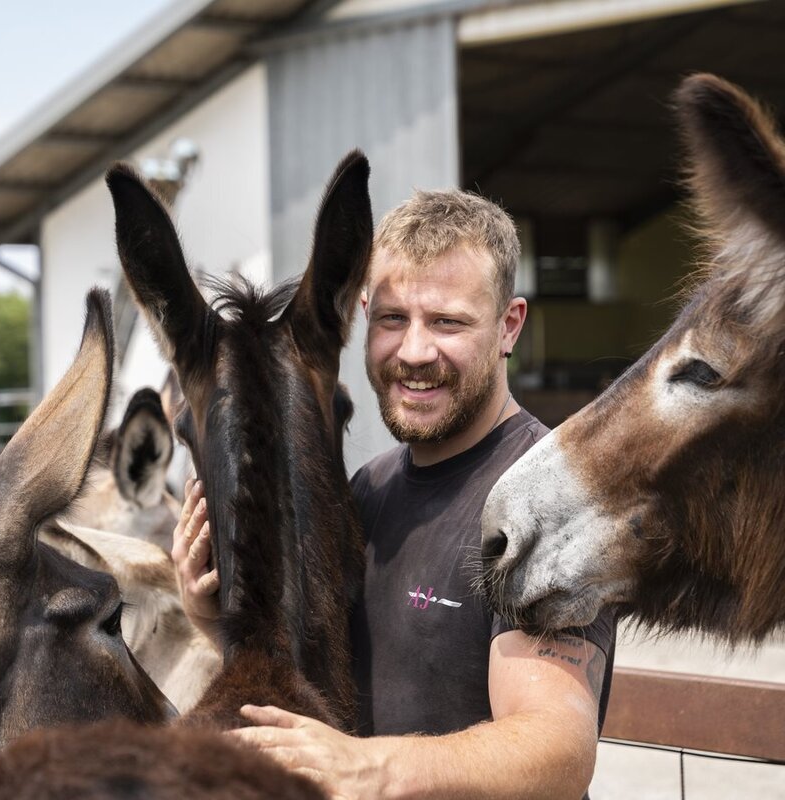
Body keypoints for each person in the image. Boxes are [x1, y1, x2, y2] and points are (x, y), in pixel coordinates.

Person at [173, 188, 616, 800]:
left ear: (509, 325)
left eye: (448, 321)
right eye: (392, 319)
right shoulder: (367, 490)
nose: (413, 352)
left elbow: (558, 751)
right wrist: (208, 616)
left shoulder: (545, 505)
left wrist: (368, 767)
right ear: (362, 317)